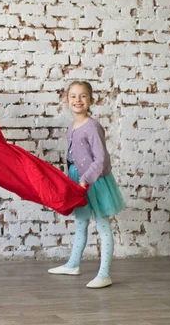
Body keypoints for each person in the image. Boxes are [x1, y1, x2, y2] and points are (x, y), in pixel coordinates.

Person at [48, 81, 125, 288]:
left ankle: (104, 273)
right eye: (73, 96)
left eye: (83, 96)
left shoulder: (92, 127)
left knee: (102, 224)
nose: (77, 100)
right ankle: (73, 264)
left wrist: (85, 180)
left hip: (94, 181)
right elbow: (74, 157)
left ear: (91, 99)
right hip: (77, 179)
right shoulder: (72, 126)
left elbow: (100, 159)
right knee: (81, 222)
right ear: (66, 99)